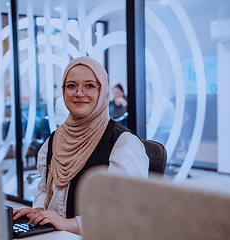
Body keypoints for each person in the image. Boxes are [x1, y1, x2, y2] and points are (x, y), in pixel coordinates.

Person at [13, 57, 149, 235]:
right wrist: (39, 211)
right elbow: (44, 188)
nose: (79, 93)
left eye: (90, 85)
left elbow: (125, 211)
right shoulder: (55, 139)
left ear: (104, 91)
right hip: (53, 234)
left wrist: (69, 224)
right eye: (71, 86)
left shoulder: (123, 143)